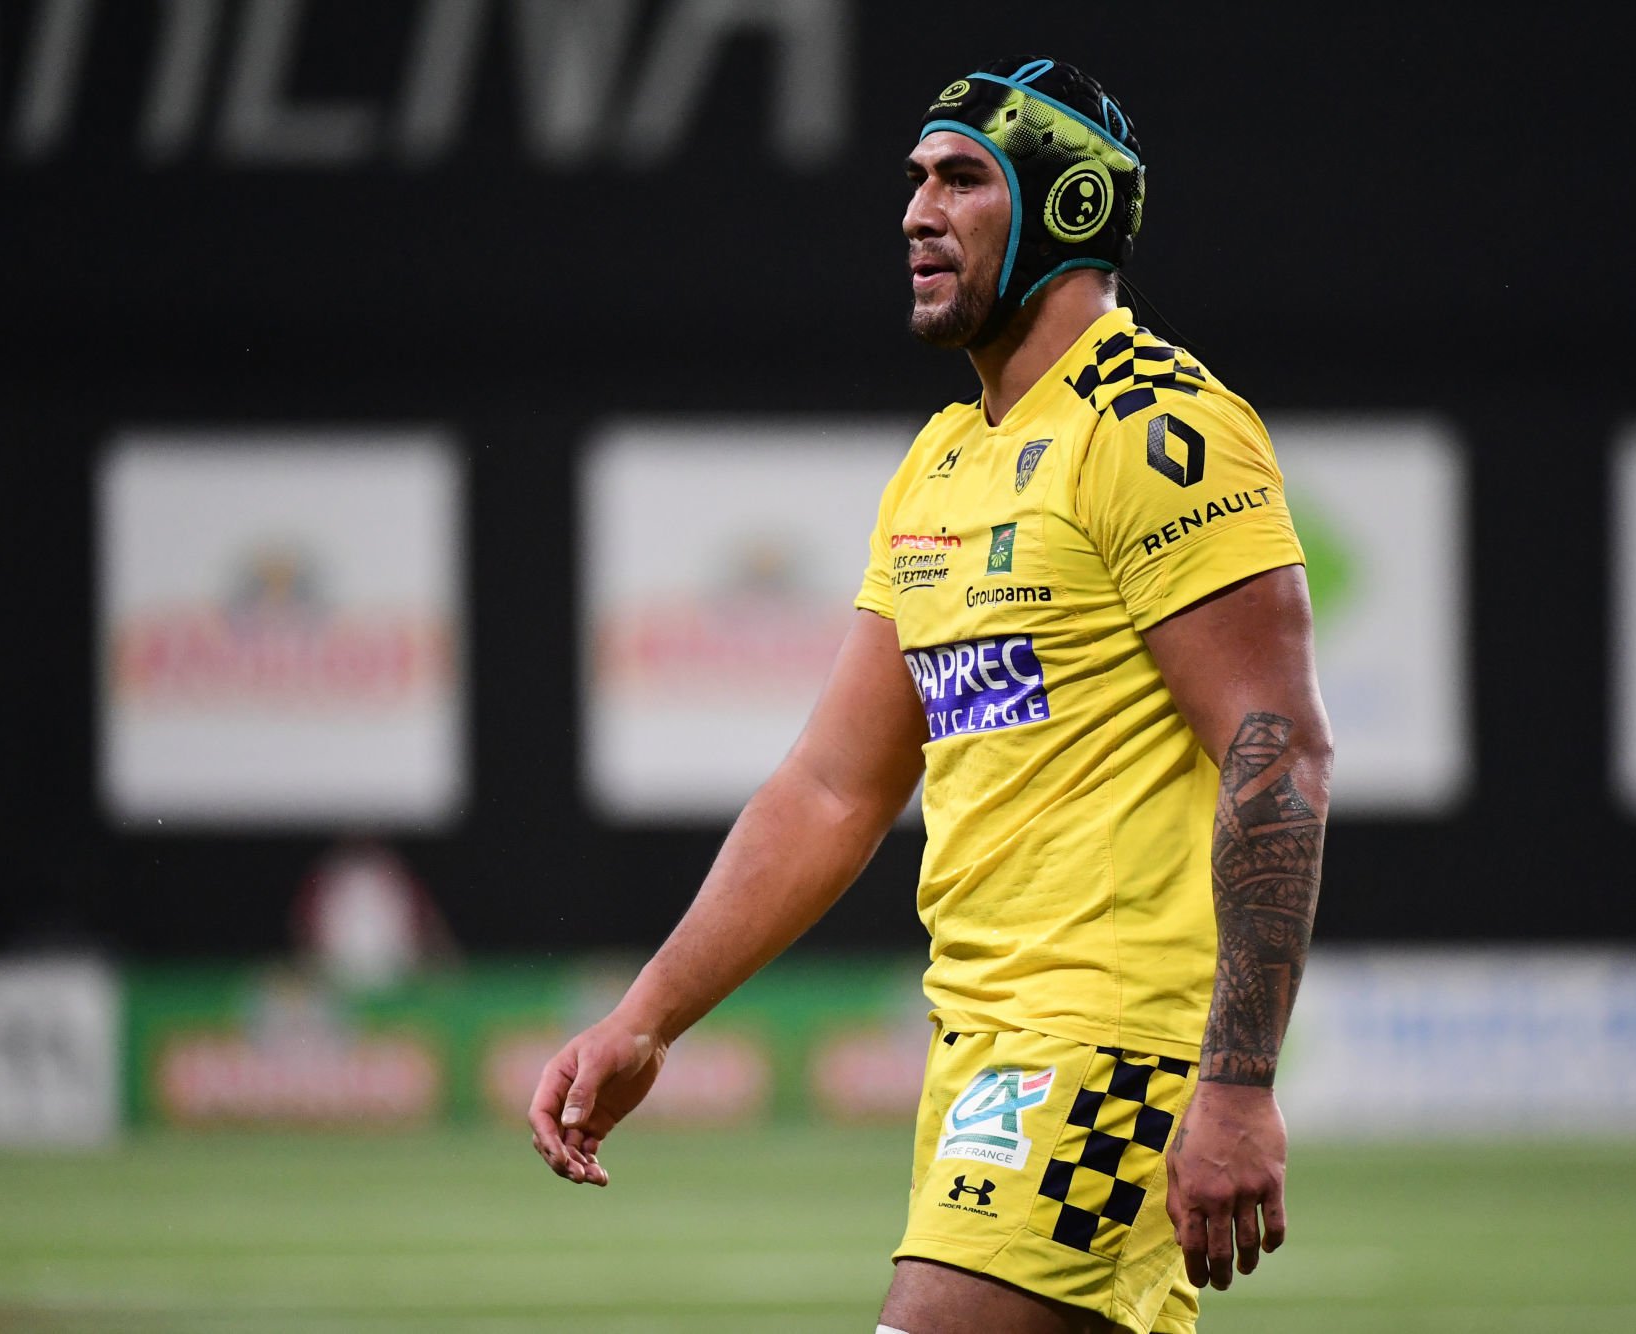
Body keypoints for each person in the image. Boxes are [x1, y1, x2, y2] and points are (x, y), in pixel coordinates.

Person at [529, 55, 1330, 1334]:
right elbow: (831, 787)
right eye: (913, 180)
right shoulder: (940, 463)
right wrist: (645, 1018)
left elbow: (1274, 751)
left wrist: (1234, 1081)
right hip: (974, 1046)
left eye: (961, 179)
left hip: (1105, 1043)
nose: (914, 212)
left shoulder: (1156, 429)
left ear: (1068, 207)